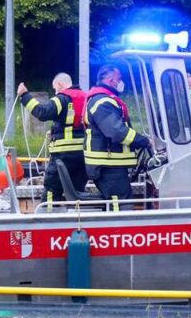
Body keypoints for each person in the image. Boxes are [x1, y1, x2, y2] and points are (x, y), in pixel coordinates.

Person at [84, 64, 151, 210]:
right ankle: (119, 231)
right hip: (108, 165)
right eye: (118, 79)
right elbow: (117, 131)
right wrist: (144, 141)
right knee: (120, 206)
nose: (121, 82)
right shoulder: (102, 102)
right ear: (110, 80)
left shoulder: (105, 100)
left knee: (119, 202)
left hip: (110, 164)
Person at [16, 73, 87, 207]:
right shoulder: (87, 98)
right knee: (77, 193)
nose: (56, 92)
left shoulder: (61, 98)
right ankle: (77, 219)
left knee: (52, 190)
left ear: (59, 84)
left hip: (62, 155)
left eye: (55, 88)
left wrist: (25, 95)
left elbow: (42, 113)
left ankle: (48, 218)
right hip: (83, 155)